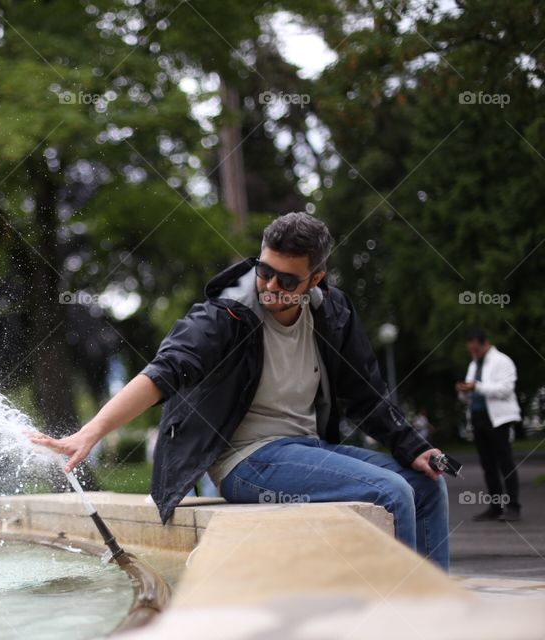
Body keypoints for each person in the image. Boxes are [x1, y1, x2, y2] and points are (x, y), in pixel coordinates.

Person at [32, 212, 450, 570]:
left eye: (287, 279)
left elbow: (365, 394)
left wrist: (412, 445)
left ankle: (435, 612)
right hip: (245, 461)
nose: (270, 285)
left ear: (315, 279)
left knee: (427, 485)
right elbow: (163, 372)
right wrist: (91, 432)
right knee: (391, 492)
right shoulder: (226, 315)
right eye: (264, 270)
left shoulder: (333, 313)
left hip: (305, 449)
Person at [455, 329, 522, 522]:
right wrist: (463, 391)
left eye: (476, 349)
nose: (473, 353)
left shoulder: (503, 361)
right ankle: (495, 506)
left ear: (485, 343)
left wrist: (477, 386)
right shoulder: (473, 364)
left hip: (498, 419)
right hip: (478, 418)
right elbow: (468, 396)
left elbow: (506, 390)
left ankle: (513, 506)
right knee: (488, 465)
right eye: (471, 350)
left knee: (505, 462)